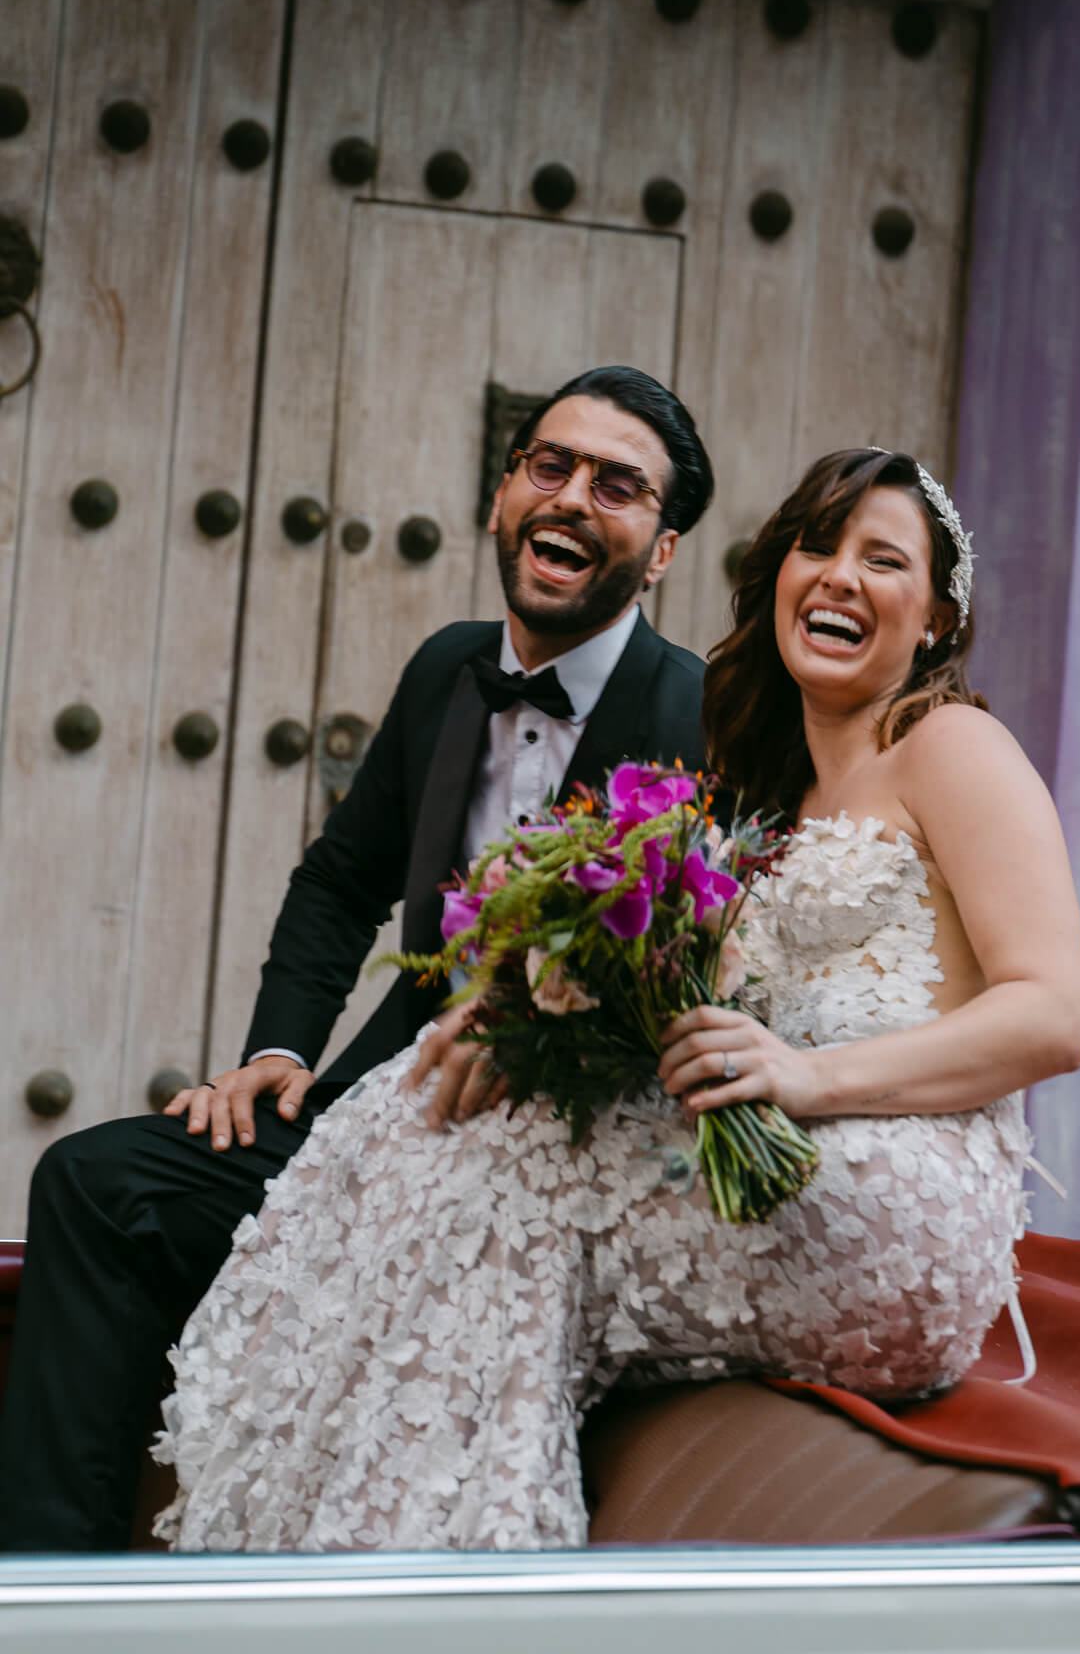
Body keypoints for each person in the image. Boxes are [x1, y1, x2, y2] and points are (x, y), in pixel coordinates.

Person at [151, 446, 1080, 1552]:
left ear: (935, 616)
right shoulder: (766, 784)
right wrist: (541, 1006)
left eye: (883, 560)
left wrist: (806, 1075)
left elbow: (1053, 1014)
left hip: (898, 1195)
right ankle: (370, 1540)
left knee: (503, 1173)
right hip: (778, 1153)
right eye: (817, 546)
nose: (840, 576)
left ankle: (449, 1568)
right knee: (429, 1118)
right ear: (775, 577)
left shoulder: (951, 745)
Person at [0, 364, 715, 1554]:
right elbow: (340, 883)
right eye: (551, 464)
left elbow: (692, 983)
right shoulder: (448, 665)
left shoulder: (696, 714)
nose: (575, 497)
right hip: (378, 1103)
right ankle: (49, 1586)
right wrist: (274, 1054)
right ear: (503, 493)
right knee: (96, 1181)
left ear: (665, 546)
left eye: (618, 485)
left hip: (553, 1152)